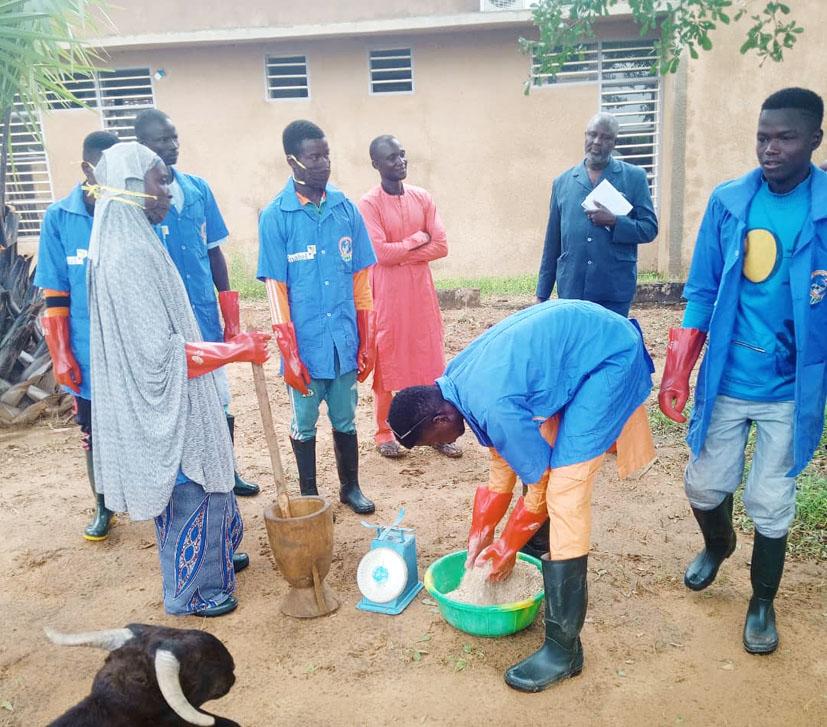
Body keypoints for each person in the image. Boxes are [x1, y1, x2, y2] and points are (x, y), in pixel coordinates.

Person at [388, 300, 656, 692]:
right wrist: (480, 538)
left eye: (430, 442)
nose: (436, 447)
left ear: (440, 420)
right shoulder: (456, 384)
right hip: (586, 342)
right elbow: (502, 463)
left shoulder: (491, 405)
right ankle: (542, 573)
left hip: (610, 359)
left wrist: (509, 545)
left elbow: (540, 480)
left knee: (565, 490)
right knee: (539, 465)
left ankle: (565, 651)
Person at [659, 87, 827, 655]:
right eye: (763, 137)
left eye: (785, 138)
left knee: (771, 499)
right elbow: (703, 290)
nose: (770, 148)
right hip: (729, 378)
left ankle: (761, 600)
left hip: (791, 388)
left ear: (814, 141)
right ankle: (718, 544)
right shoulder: (729, 202)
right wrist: (679, 369)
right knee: (705, 484)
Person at [86, 141, 270, 617]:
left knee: (207, 489)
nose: (169, 190)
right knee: (189, 490)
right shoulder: (127, 255)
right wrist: (236, 350)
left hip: (181, 395)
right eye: (158, 180)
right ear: (129, 187)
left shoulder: (136, 240)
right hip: (164, 403)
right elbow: (160, 356)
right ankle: (193, 592)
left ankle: (217, 565)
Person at [135, 109, 259, 498]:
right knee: (178, 410)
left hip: (203, 316)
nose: (171, 145)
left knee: (219, 400)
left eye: (174, 137)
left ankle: (228, 469)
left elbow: (214, 254)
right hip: (166, 327)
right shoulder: (140, 200)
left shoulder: (198, 190)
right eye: (161, 140)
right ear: (141, 145)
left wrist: (230, 312)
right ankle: (183, 482)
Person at [257, 120, 378, 514]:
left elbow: (362, 283)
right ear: (292, 160)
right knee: (304, 422)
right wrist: (289, 354)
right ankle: (309, 494)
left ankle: (350, 487)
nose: (324, 163)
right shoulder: (277, 216)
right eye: (314, 156)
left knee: (345, 418)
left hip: (342, 343)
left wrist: (367, 340)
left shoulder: (346, 211)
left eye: (326, 154)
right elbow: (276, 291)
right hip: (305, 349)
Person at [36, 131, 119, 541]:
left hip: (128, 350)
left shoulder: (127, 211)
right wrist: (62, 354)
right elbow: (55, 294)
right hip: (86, 353)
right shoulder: (59, 218)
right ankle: (103, 505)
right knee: (93, 435)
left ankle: (150, 500)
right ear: (87, 169)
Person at [358, 134, 459, 460]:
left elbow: (441, 245)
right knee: (390, 361)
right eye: (391, 157)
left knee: (428, 361)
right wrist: (417, 239)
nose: (400, 161)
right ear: (376, 164)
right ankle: (384, 432)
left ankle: (434, 432)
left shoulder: (422, 197)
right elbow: (379, 254)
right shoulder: (369, 204)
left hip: (420, 294)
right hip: (387, 295)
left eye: (402, 155)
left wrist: (401, 249)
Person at [535, 112, 658, 317]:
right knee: (575, 346)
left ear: (614, 142)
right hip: (572, 288)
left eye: (605, 137)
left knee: (608, 347)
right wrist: (542, 294)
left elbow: (649, 228)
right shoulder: (563, 182)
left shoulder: (634, 178)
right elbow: (552, 242)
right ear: (585, 136)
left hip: (613, 289)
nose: (597, 142)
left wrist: (616, 222)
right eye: (592, 135)